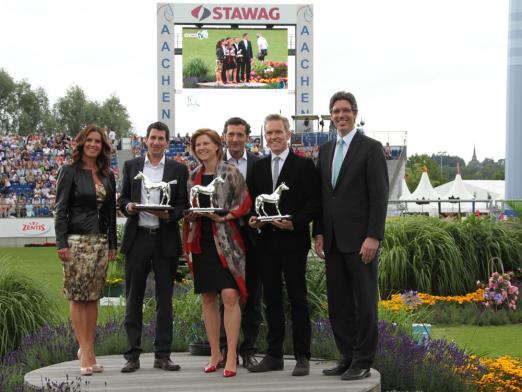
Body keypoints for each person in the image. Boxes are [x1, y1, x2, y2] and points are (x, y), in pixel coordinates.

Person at [313, 91, 389, 381]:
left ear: (355, 113)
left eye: (345, 110)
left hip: (361, 242)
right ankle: (346, 355)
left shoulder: (370, 148)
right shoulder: (326, 150)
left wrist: (373, 236)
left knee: (365, 303)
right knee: (339, 303)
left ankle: (363, 360)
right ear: (331, 116)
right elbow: (323, 197)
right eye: (335, 111)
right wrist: (319, 232)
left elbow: (379, 197)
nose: (340, 115)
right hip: (332, 241)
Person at [248, 114, 320, 377]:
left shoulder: (303, 166)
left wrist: (295, 223)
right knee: (272, 299)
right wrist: (252, 221)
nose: (274, 137)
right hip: (265, 244)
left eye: (278, 132)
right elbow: (251, 203)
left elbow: (313, 202)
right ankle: (274, 354)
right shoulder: (258, 167)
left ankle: (302, 356)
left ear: (288, 134)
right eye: (269, 133)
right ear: (264, 136)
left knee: (298, 298)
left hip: (293, 243)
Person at [118, 121, 189, 373]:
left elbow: (182, 204)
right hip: (138, 238)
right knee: (133, 298)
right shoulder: (131, 166)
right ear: (145, 140)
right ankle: (132, 355)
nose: (157, 142)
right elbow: (123, 198)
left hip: (164, 238)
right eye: (153, 138)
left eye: (161, 138)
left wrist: (173, 215)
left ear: (168, 143)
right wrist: (127, 207)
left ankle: (163, 355)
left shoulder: (178, 170)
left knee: (165, 301)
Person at [184, 128, 251, 378]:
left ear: (216, 146)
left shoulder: (230, 172)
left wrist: (225, 215)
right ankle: (215, 353)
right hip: (202, 241)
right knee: (208, 299)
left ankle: (231, 353)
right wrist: (191, 214)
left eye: (206, 143)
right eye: (197, 144)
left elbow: (244, 202)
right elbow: (190, 205)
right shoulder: (193, 176)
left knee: (230, 295)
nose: (202, 148)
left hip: (227, 242)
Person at [54, 125, 117, 376]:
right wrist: (61, 243)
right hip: (76, 242)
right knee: (78, 297)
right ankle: (85, 353)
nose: (93, 144)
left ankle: (89, 351)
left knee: (93, 298)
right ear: (82, 143)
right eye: (89, 140)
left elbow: (110, 212)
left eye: (98, 142)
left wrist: (112, 243)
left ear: (103, 146)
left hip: (100, 242)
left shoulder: (107, 174)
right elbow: (61, 210)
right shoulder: (68, 171)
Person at [221, 117, 262, 370]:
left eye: (240, 134)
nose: (235, 139)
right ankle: (227, 349)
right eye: (231, 134)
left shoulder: (259, 164)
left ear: (248, 137)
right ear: (224, 136)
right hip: (223, 236)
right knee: (225, 295)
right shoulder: (215, 164)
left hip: (253, 237)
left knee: (254, 295)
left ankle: (249, 350)